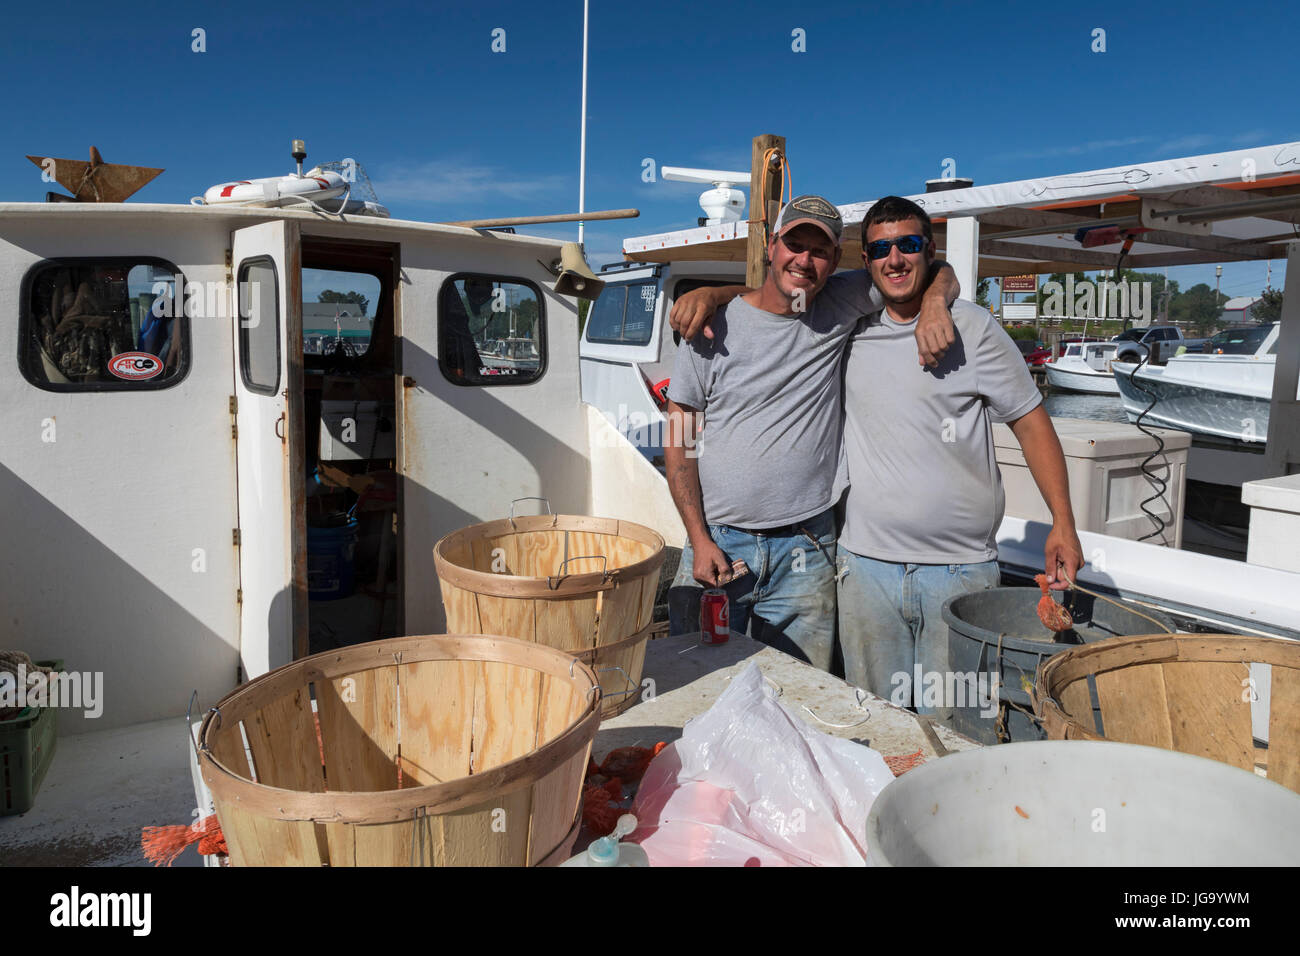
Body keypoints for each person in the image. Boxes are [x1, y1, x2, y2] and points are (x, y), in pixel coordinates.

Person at [663, 195, 959, 671]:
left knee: (804, 699)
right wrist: (698, 539)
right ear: (772, 246)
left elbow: (934, 268)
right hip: (718, 546)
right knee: (696, 687)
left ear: (835, 261)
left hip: (807, 548)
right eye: (793, 245)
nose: (804, 260)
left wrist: (936, 305)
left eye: (819, 251)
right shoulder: (711, 326)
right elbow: (679, 438)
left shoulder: (841, 302)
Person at [837, 196, 1083, 724]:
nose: (895, 258)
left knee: (953, 732)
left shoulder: (973, 328)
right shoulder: (848, 329)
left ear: (929, 251)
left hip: (959, 572)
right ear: (866, 261)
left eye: (908, 244)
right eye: (880, 248)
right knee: (872, 725)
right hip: (864, 568)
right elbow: (769, 297)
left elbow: (1032, 424)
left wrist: (1063, 522)